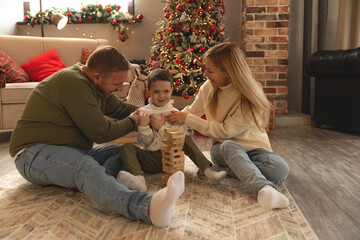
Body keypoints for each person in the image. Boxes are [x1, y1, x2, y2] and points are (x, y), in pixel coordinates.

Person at [9, 46, 184, 227]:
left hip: (72, 150)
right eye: (116, 84)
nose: (119, 89)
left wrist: (155, 113)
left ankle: (102, 183)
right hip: (31, 154)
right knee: (84, 167)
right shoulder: (74, 82)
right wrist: (135, 121)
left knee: (125, 151)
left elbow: (120, 109)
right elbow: (101, 133)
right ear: (97, 77)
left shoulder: (96, 86)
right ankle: (147, 207)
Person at [165, 42, 290, 210]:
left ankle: (224, 170)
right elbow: (191, 112)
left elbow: (225, 131)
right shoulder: (207, 88)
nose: (205, 74)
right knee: (231, 145)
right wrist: (172, 115)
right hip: (224, 149)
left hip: (255, 150)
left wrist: (186, 117)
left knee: (280, 170)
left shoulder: (250, 94)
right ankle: (263, 189)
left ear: (228, 73)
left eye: (210, 70)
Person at [117, 68, 227, 191]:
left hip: (171, 159)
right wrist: (143, 127)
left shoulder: (175, 114)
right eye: (156, 91)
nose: (162, 95)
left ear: (171, 90)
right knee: (126, 147)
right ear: (149, 91)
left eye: (166, 91)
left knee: (184, 138)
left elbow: (180, 140)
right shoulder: (143, 113)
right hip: (151, 160)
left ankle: (208, 171)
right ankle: (139, 179)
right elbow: (147, 144)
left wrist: (161, 128)